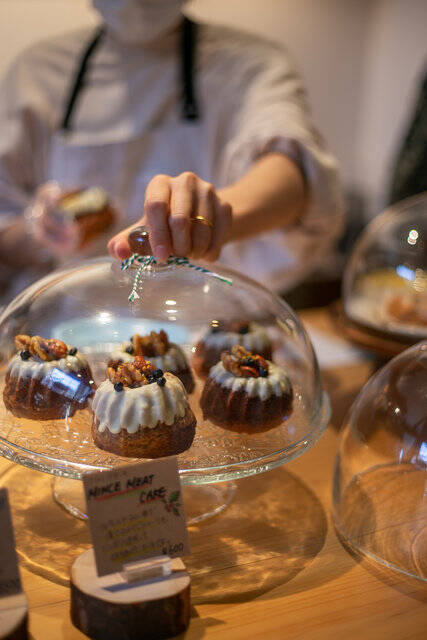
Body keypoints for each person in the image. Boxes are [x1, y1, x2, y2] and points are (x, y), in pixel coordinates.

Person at [0, 0, 344, 296]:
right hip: (66, 317)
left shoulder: (252, 64)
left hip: (210, 316)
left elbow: (291, 172)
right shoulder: (36, 71)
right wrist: (40, 230)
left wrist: (212, 215)